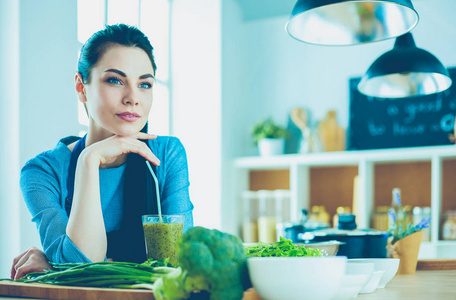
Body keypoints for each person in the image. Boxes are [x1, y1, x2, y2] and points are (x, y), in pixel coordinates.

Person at [11, 24, 193, 280]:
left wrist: (56, 263)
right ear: (81, 87)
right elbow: (80, 266)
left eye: (145, 84)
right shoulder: (43, 172)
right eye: (115, 80)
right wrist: (89, 159)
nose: (132, 97)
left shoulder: (167, 154)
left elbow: (176, 263)